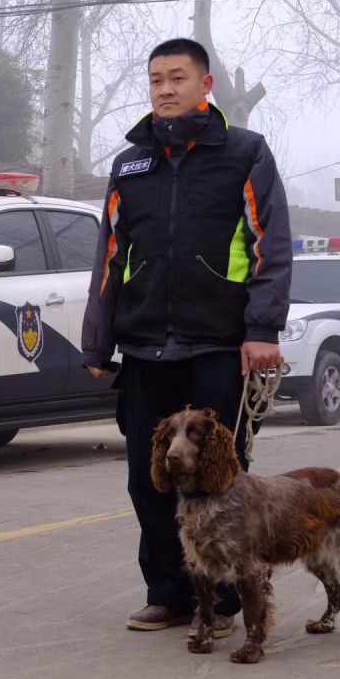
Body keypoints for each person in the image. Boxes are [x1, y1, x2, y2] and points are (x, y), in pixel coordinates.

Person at [81, 39, 291, 635]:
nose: (165, 89)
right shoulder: (131, 165)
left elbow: (269, 244)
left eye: (177, 78)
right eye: (155, 80)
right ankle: (169, 593)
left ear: (205, 86)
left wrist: (261, 329)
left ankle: (224, 601)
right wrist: (98, 341)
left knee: (222, 481)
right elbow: (109, 258)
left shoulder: (244, 153)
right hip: (146, 347)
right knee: (149, 478)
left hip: (219, 345)